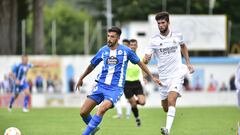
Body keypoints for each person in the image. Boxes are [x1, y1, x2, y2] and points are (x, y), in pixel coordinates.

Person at [76, 26, 161, 135]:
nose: (109, 39)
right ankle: (93, 129)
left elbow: (140, 63)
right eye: (108, 36)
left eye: (112, 37)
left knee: (102, 109)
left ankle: (86, 133)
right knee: (83, 112)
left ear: (118, 38)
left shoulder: (126, 51)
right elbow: (91, 66)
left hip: (115, 88)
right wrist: (81, 78)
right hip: (100, 85)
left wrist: (152, 76)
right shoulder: (103, 50)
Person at [143, 12, 194, 135]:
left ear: (168, 23)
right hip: (163, 78)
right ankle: (169, 118)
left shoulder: (177, 35)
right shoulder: (153, 40)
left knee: (172, 99)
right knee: (166, 107)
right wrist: (147, 59)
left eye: (163, 22)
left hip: (177, 74)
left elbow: (183, 46)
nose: (160, 25)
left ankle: (167, 130)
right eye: (158, 23)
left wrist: (188, 63)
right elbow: (145, 59)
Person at [123, 39, 146, 127]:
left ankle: (132, 102)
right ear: (129, 46)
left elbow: (142, 67)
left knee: (143, 102)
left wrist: (144, 77)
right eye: (131, 45)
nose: (132, 46)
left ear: (137, 46)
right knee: (133, 103)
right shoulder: (125, 57)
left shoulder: (139, 57)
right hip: (126, 84)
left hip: (136, 83)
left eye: (134, 45)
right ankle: (137, 118)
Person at [112, 39, 131, 119]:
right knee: (116, 98)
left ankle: (128, 114)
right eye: (123, 44)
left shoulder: (131, 55)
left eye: (125, 45)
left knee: (129, 98)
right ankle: (119, 114)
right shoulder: (118, 55)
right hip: (118, 80)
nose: (123, 46)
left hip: (128, 80)